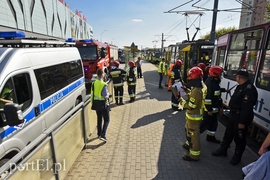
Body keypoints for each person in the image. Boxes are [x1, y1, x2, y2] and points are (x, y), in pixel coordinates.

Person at [212, 69, 258, 165]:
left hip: (240, 118)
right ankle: (223, 150)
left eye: (236, 76)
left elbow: (247, 108)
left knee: (239, 138)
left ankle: (237, 156)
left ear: (239, 77)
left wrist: (242, 122)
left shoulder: (248, 89)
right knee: (228, 134)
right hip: (233, 116)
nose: (236, 78)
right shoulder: (241, 86)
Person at [180, 67, 204, 161]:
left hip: (194, 118)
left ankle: (194, 155)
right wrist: (187, 91)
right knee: (189, 133)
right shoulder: (196, 88)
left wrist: (181, 102)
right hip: (191, 117)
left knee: (194, 136)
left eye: (190, 76)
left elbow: (191, 106)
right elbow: (193, 97)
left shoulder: (197, 91)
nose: (189, 78)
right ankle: (188, 146)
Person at [200, 66, 229, 143]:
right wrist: (209, 110)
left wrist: (225, 90)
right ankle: (192, 138)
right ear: (215, 74)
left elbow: (216, 91)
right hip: (209, 110)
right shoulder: (210, 83)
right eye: (220, 74)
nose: (221, 76)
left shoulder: (214, 82)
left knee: (213, 125)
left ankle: (210, 137)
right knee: (204, 125)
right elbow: (208, 98)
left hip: (214, 110)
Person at [91, 68, 110, 142]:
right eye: (104, 73)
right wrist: (108, 94)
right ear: (102, 75)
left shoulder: (94, 83)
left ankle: (99, 134)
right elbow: (105, 95)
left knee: (99, 119)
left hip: (96, 104)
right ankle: (103, 135)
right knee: (107, 120)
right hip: (103, 104)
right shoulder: (103, 84)